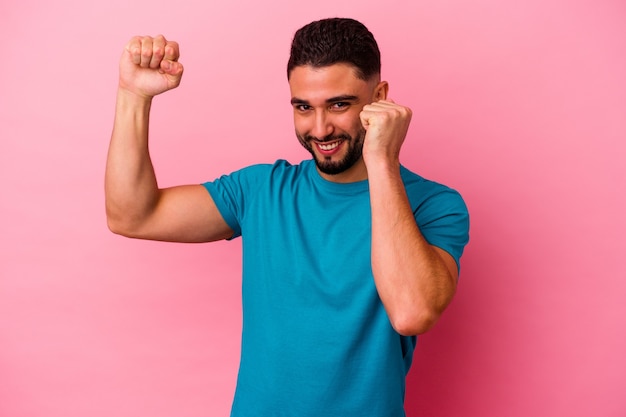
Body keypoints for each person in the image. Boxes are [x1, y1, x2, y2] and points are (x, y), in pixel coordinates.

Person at [106, 17, 469, 417]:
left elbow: (412, 311)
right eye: (303, 107)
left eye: (339, 104)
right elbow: (132, 216)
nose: (320, 128)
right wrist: (133, 97)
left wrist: (381, 157)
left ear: (379, 97)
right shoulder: (261, 191)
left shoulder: (434, 205)